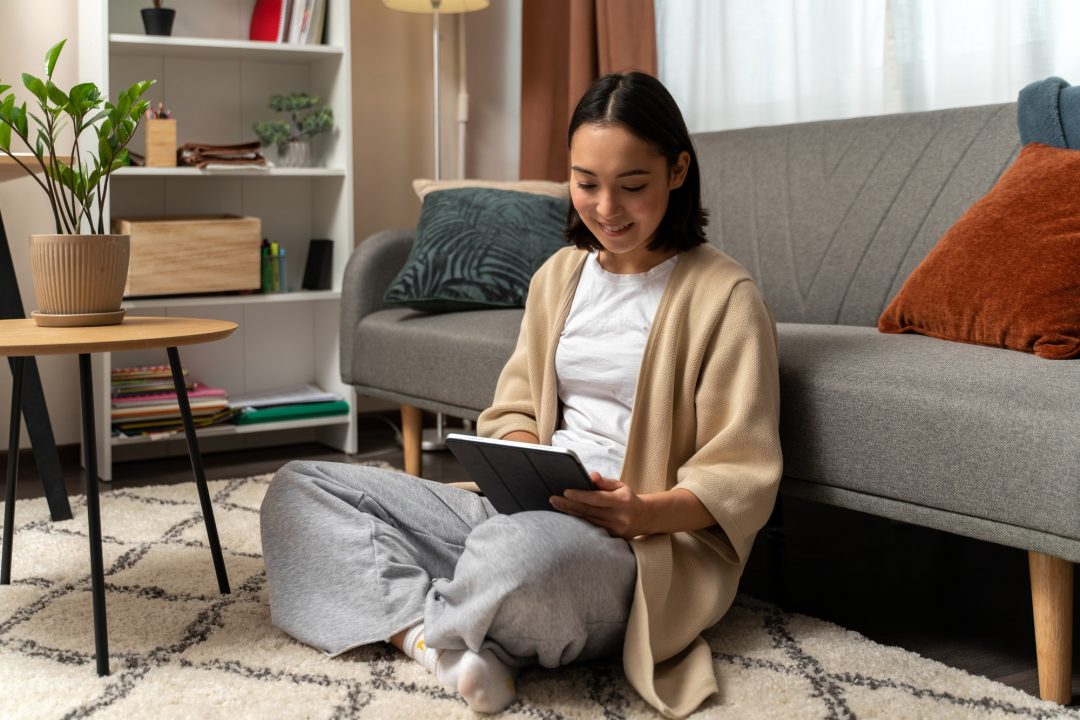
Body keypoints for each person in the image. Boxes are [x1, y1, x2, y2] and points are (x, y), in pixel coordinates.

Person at [259, 71, 782, 718]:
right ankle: (433, 641)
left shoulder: (725, 297)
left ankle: (425, 607)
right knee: (299, 490)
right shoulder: (560, 274)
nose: (606, 209)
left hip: (630, 544)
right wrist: (519, 458)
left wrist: (642, 512)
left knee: (519, 560)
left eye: (633, 186)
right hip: (518, 511)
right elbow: (512, 407)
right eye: (586, 183)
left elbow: (742, 471)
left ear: (677, 171)